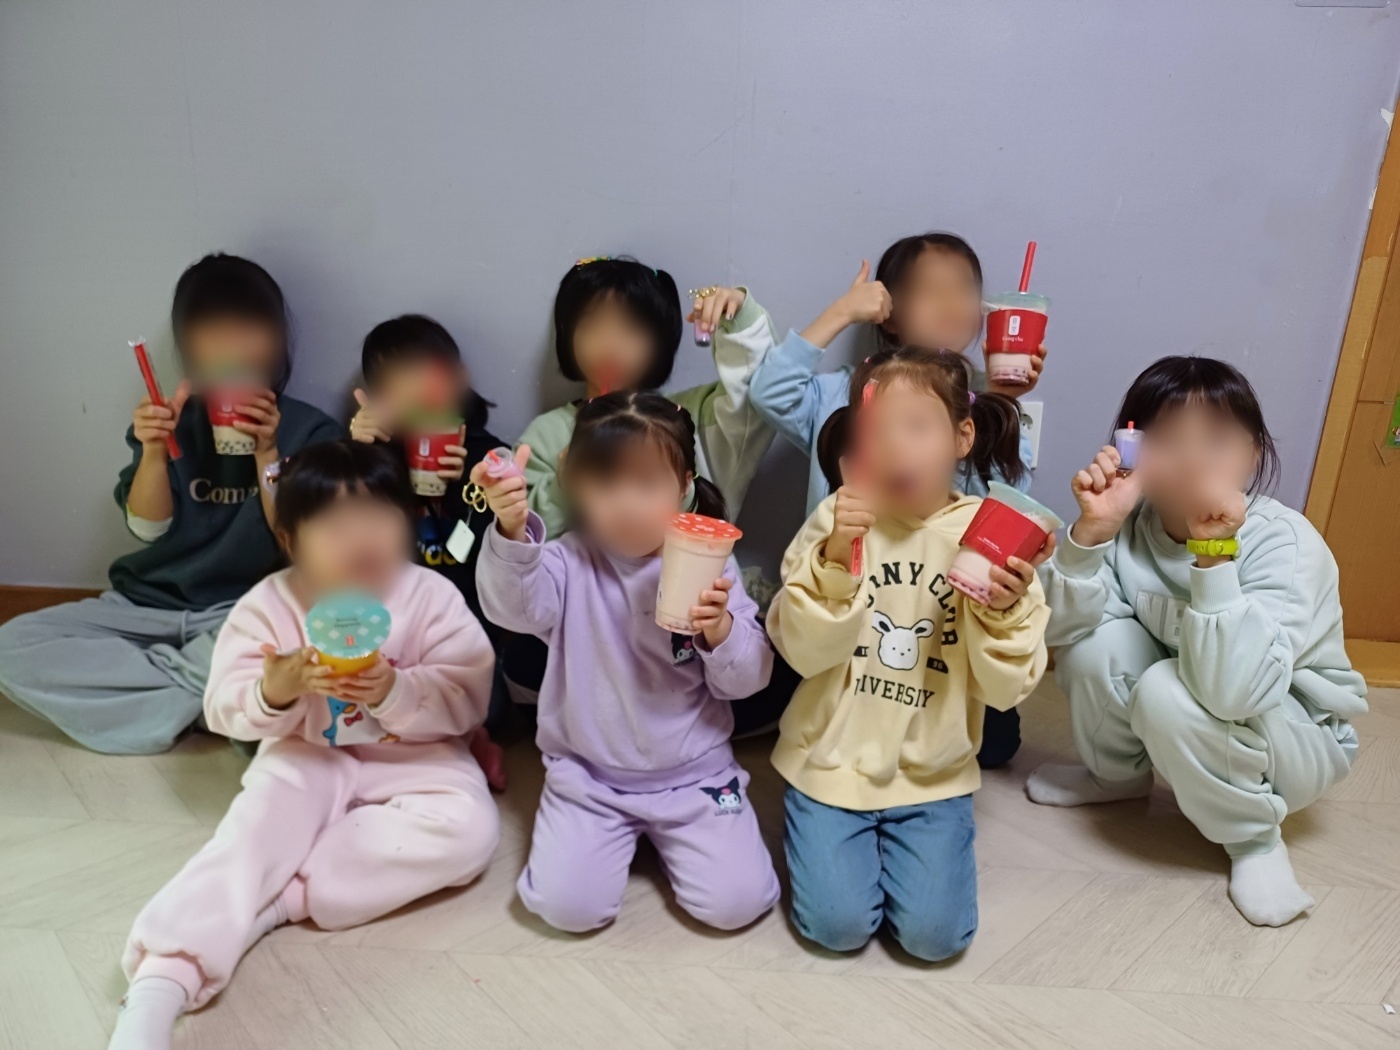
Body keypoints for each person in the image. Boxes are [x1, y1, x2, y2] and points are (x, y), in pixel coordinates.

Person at [107, 440, 498, 1050]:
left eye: (379, 516)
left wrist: (397, 689)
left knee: (471, 832)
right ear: (290, 540)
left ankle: (282, 899)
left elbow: (469, 693)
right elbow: (224, 707)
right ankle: (164, 980)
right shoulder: (270, 604)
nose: (360, 538)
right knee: (254, 829)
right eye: (335, 525)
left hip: (416, 755)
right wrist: (275, 688)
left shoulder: (431, 597)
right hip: (307, 750)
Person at [1026, 356, 1367, 927]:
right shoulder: (1128, 525)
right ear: (1130, 450)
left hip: (1294, 735)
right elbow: (1056, 633)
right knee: (1092, 646)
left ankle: (1253, 837)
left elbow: (1237, 694)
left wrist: (1213, 554)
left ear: (1253, 454)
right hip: (1198, 702)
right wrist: (1090, 535)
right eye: (1166, 440)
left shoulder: (1285, 544)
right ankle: (1117, 778)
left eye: (1216, 441)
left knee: (1165, 685)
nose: (1191, 460)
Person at [766, 347, 1050, 961]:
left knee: (935, 940)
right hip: (830, 764)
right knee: (837, 928)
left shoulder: (992, 535)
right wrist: (836, 555)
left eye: (917, 427)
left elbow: (1005, 689)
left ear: (962, 436)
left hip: (932, 776)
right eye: (877, 431)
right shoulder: (838, 518)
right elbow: (802, 653)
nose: (896, 448)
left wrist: (1002, 610)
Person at [0, 253, 341, 754]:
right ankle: (214, 702)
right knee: (12, 646)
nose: (232, 345)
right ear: (189, 347)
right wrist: (155, 452)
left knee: (305, 644)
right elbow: (148, 530)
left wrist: (267, 452)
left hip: (243, 613)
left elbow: (302, 548)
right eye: (214, 331)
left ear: (277, 341)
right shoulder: (170, 420)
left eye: (249, 328)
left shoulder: (312, 431)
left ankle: (174, 696)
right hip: (144, 606)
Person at [475, 392, 780, 932]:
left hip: (695, 776)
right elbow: (511, 609)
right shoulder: (567, 561)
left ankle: (668, 839)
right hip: (590, 778)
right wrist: (511, 528)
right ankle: (608, 837)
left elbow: (748, 679)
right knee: (566, 909)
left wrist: (719, 630)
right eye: (606, 483)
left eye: (647, 483)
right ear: (575, 481)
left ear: (684, 487)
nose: (627, 505)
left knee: (737, 904)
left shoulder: (711, 565)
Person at [506, 256, 782, 732]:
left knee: (769, 670)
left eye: (631, 328)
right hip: (589, 629)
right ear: (569, 334)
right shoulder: (548, 433)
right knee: (523, 659)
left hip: (683, 628)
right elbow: (528, 563)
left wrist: (740, 319)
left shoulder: (686, 415)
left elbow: (756, 399)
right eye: (593, 324)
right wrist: (571, 479)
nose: (611, 343)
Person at [748, 233, 1043, 516]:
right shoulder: (840, 392)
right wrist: (843, 311)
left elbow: (1007, 497)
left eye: (963, 289)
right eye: (930, 290)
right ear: (889, 316)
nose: (950, 303)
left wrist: (1002, 399)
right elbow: (770, 393)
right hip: (842, 550)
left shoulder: (980, 399)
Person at [348, 314, 507, 787]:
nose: (420, 390)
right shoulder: (375, 456)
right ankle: (445, 744)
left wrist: (466, 488)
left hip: (462, 624)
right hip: (389, 622)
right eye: (399, 381)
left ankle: (460, 740)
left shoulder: (489, 457)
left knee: (491, 703)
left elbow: (494, 561)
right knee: (353, 688)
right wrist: (360, 456)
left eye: (430, 371)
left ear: (459, 380)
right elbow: (342, 544)